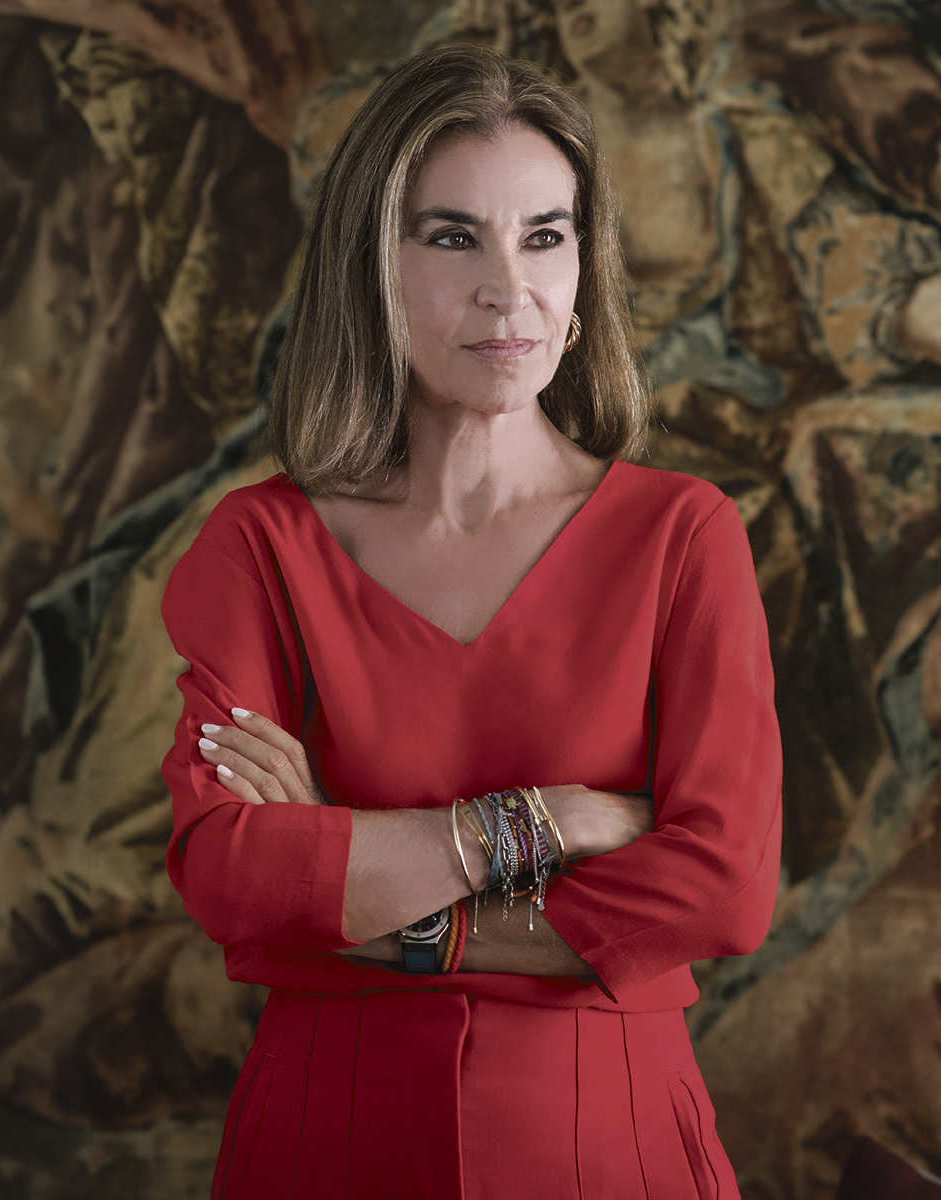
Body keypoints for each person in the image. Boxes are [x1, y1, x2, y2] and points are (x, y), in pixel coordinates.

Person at [160, 42, 781, 1199]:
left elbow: (724, 888)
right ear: (372, 268)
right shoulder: (259, 547)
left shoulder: (684, 536)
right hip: (320, 1145)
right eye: (453, 237)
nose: (510, 288)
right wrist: (547, 822)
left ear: (584, 271)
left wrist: (369, 897)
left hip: (612, 1148)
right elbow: (231, 874)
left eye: (545, 236)